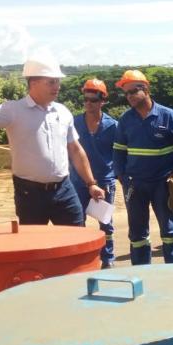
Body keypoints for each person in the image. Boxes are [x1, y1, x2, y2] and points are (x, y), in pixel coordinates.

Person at [0, 58, 105, 225]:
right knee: (32, 242)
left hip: (64, 190)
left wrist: (91, 184)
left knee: (75, 238)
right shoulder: (12, 110)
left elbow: (75, 149)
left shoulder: (63, 112)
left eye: (58, 81)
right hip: (30, 194)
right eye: (51, 82)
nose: (57, 86)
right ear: (33, 83)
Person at [113, 69, 173, 264]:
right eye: (126, 93)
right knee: (137, 233)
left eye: (133, 91)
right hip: (135, 185)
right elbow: (118, 151)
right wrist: (122, 177)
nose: (129, 96)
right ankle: (141, 271)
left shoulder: (168, 116)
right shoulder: (126, 120)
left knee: (169, 231)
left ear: (146, 89)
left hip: (162, 184)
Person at [70, 78, 118, 268]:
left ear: (103, 101)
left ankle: (108, 258)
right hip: (78, 181)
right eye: (86, 99)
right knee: (77, 221)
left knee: (105, 222)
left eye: (94, 100)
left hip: (104, 181)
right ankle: (81, 258)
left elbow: (119, 153)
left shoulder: (113, 126)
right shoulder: (74, 123)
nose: (89, 103)